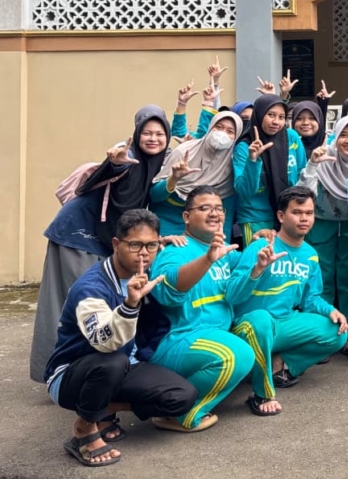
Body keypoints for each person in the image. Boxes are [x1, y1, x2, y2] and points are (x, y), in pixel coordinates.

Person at [30, 105, 171, 384]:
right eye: (147, 132)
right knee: (75, 301)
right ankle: (61, 373)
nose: (153, 138)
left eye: (159, 134)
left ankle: (85, 372)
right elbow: (107, 172)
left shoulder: (152, 165)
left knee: (88, 303)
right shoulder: (129, 158)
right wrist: (115, 162)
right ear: (136, 133)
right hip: (78, 234)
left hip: (100, 236)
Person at [45, 209, 197, 466]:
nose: (144, 253)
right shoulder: (91, 288)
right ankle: (85, 428)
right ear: (116, 244)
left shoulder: (145, 274)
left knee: (182, 396)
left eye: (151, 245)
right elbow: (105, 342)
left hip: (126, 364)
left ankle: (104, 409)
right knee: (111, 360)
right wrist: (129, 304)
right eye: (135, 245)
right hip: (73, 373)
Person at [148, 185, 274, 432]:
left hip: (217, 334)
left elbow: (238, 286)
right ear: (186, 217)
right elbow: (168, 290)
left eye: (219, 209)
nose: (214, 214)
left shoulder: (223, 251)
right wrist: (206, 260)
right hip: (180, 341)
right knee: (236, 354)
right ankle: (181, 411)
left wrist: (258, 251)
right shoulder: (176, 249)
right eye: (205, 208)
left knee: (259, 319)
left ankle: (263, 394)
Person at [229, 186, 348, 415]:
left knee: (337, 332)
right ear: (281, 216)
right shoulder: (260, 247)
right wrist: (257, 270)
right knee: (261, 320)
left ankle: (279, 365)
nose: (304, 218)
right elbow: (233, 295)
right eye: (297, 212)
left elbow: (311, 299)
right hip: (250, 325)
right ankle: (262, 392)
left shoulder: (310, 255)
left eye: (309, 213)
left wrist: (331, 310)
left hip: (284, 324)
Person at [301, 115, 348, 360]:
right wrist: (312, 165)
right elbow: (304, 192)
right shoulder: (323, 158)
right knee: (321, 280)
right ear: (336, 136)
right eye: (344, 134)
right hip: (322, 225)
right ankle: (323, 338)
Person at [150, 111, 242, 238]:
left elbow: (225, 213)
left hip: (201, 230)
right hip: (166, 223)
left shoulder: (230, 168)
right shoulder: (184, 152)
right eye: (219, 127)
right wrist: (174, 178)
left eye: (230, 131)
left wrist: (221, 244)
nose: (222, 134)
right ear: (210, 128)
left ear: (236, 137)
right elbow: (154, 196)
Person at [233, 94, 308, 244]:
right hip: (256, 219)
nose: (276, 122)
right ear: (259, 114)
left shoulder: (291, 137)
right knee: (259, 263)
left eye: (281, 117)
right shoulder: (245, 146)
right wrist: (253, 160)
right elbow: (244, 191)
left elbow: (302, 174)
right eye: (271, 115)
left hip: (288, 217)